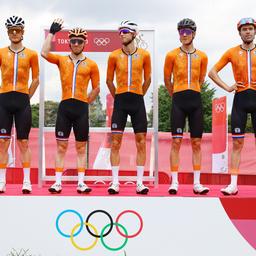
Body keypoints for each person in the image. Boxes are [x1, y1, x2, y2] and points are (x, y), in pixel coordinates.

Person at [41, 19, 100, 194]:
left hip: (81, 108)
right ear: (69, 42)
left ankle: (81, 183)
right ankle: (57, 182)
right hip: (65, 107)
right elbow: (44, 53)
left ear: (84, 43)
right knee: (61, 147)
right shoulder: (61, 60)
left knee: (81, 147)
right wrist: (52, 33)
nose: (76, 44)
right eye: (73, 41)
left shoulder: (91, 64)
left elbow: (97, 88)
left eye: (79, 41)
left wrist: (85, 102)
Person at [209, 18, 256, 195]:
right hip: (241, 99)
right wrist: (228, 87)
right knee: (237, 143)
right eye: (244, 29)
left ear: (254, 31)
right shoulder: (231, 52)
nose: (248, 32)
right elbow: (212, 72)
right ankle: (233, 184)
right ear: (240, 32)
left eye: (251, 29)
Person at [164, 18, 209, 195]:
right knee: (176, 141)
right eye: (181, 32)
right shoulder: (171, 55)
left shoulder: (203, 56)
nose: (184, 35)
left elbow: (201, 79)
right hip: (178, 100)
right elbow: (167, 80)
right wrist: (175, 94)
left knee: (197, 143)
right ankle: (174, 181)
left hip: (195, 99)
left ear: (194, 34)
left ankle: (197, 183)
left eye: (187, 32)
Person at [106, 20, 151, 194]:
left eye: (125, 31)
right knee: (116, 142)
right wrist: (118, 96)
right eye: (120, 32)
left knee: (141, 142)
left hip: (137, 100)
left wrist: (139, 94)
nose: (121, 34)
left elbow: (147, 79)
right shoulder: (113, 55)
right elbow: (109, 80)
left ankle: (140, 182)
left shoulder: (145, 55)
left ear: (134, 34)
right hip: (121, 101)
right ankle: (115, 182)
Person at [0, 16, 39, 194]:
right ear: (8, 33)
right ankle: (2, 181)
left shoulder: (31, 54)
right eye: (11, 30)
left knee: (23, 142)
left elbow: (36, 79)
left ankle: (26, 181)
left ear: (23, 31)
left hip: (22, 100)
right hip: (4, 100)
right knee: (3, 142)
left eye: (17, 30)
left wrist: (26, 97)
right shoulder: (1, 52)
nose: (14, 33)